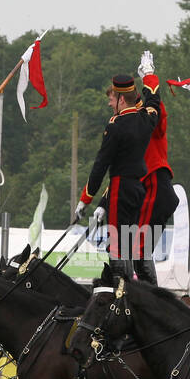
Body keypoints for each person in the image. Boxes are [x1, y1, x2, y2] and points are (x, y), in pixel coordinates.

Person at [75, 73, 157, 281]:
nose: (110, 104)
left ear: (121, 99)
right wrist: (149, 76)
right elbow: (153, 100)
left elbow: (101, 165)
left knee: (117, 246)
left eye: (112, 99)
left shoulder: (115, 126)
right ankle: (146, 289)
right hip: (140, 189)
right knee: (134, 244)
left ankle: (124, 291)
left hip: (120, 190)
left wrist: (86, 199)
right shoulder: (146, 120)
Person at [133, 51, 177, 285]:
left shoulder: (153, 123)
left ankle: (148, 294)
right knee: (134, 249)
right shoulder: (129, 131)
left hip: (156, 187)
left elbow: (155, 104)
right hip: (146, 191)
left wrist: (149, 76)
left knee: (137, 249)